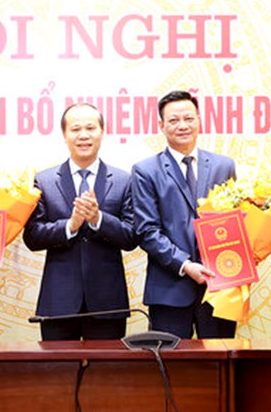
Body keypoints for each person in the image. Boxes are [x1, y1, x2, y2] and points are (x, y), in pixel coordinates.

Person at [23, 103, 136, 340]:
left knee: (107, 374)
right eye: (75, 129)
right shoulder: (44, 180)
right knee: (59, 374)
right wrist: (70, 225)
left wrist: (98, 219)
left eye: (90, 128)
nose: (83, 135)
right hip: (59, 301)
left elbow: (131, 236)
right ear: (64, 135)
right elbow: (32, 237)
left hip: (108, 302)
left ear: (102, 132)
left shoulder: (124, 180)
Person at [131, 90, 237, 339]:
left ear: (199, 120)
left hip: (219, 288)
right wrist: (185, 265)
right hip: (169, 290)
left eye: (189, 119)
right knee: (171, 368)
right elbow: (147, 231)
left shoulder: (224, 166)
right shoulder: (145, 171)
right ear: (161, 125)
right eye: (174, 120)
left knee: (221, 366)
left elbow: (235, 223)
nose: (182, 126)